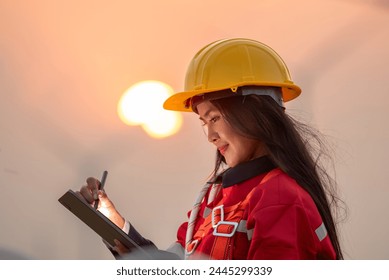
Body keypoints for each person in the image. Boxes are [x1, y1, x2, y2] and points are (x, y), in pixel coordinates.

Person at [79, 38, 344, 260]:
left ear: (253, 113)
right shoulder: (218, 198)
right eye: (203, 122)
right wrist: (112, 222)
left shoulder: (278, 197)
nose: (210, 136)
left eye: (215, 118)